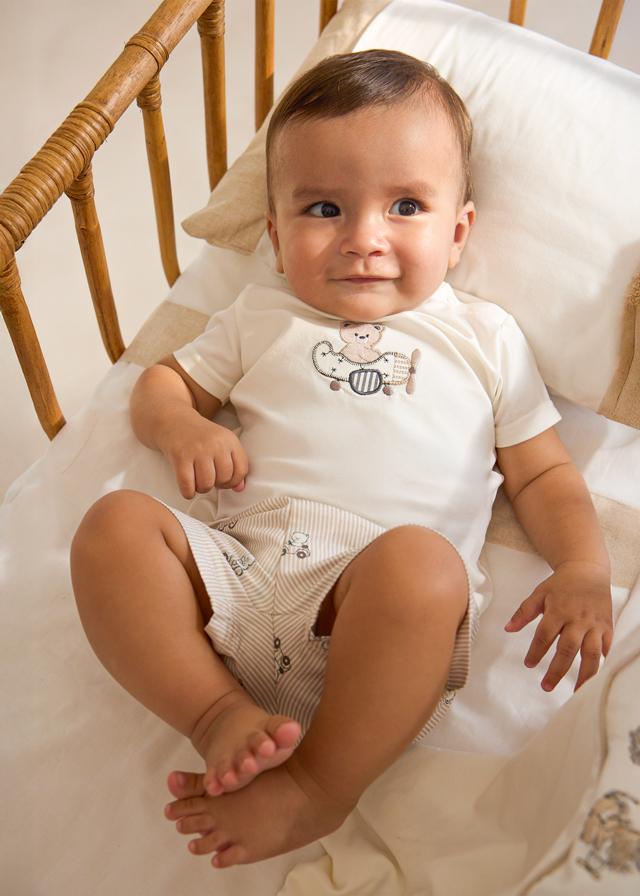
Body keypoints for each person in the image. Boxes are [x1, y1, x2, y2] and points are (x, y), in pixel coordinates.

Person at [70, 49, 614, 870]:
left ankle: (317, 785)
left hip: (381, 620)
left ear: (458, 232)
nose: (364, 240)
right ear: (275, 235)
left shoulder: (485, 337)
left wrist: (582, 566)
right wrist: (181, 427)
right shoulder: (261, 312)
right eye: (324, 208)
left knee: (424, 567)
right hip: (239, 580)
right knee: (113, 528)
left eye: (406, 206)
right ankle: (218, 713)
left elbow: (542, 472)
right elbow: (162, 385)